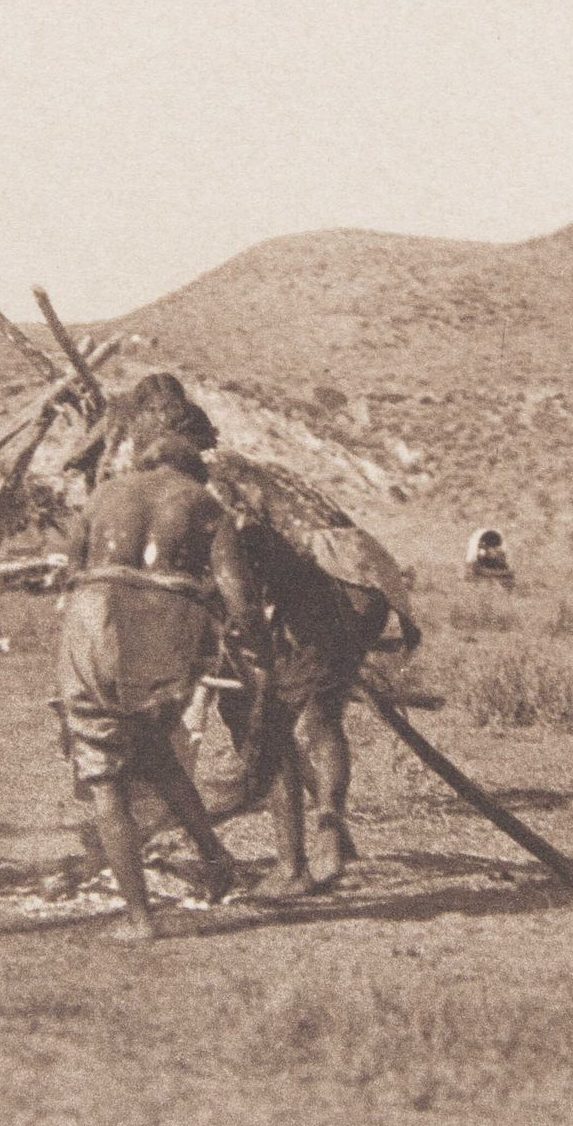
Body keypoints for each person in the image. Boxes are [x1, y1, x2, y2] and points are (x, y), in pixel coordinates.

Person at [112, 373, 422, 897]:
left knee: (267, 722)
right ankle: (331, 834)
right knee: (322, 715)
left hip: (330, 582)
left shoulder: (205, 481)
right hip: (368, 578)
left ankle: (293, 866)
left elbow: (232, 560)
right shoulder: (252, 468)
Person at [56, 412, 266, 941]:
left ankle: (140, 919)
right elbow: (238, 596)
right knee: (153, 745)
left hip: (94, 620)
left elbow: (71, 568)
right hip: (166, 628)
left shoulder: (104, 493)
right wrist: (257, 648)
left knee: (105, 775)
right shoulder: (205, 504)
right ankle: (214, 859)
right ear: (193, 471)